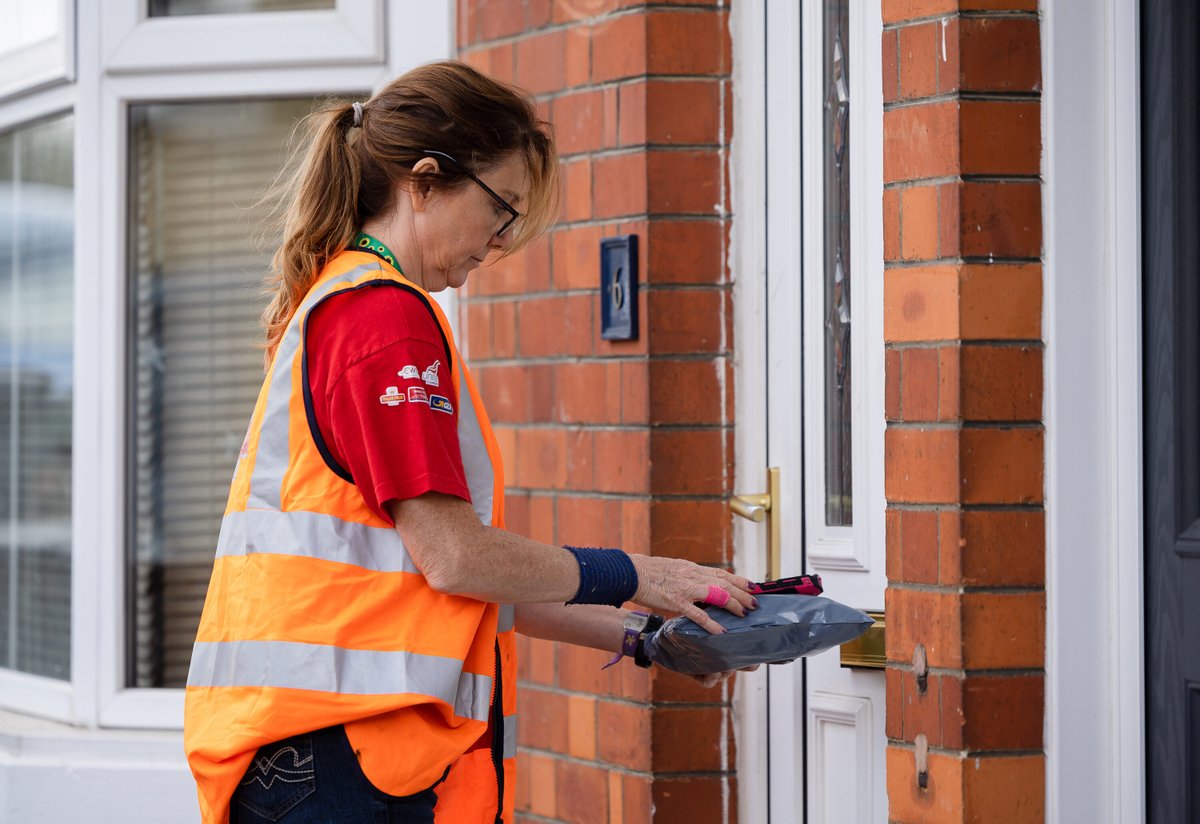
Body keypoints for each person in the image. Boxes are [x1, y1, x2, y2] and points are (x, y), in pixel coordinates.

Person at [183, 60, 756, 824]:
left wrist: (644, 635)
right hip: (341, 762)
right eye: (503, 207)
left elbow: (443, 581)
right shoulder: (384, 320)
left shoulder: (345, 304)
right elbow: (456, 557)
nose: (502, 239)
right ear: (425, 181)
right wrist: (641, 574)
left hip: (317, 755)